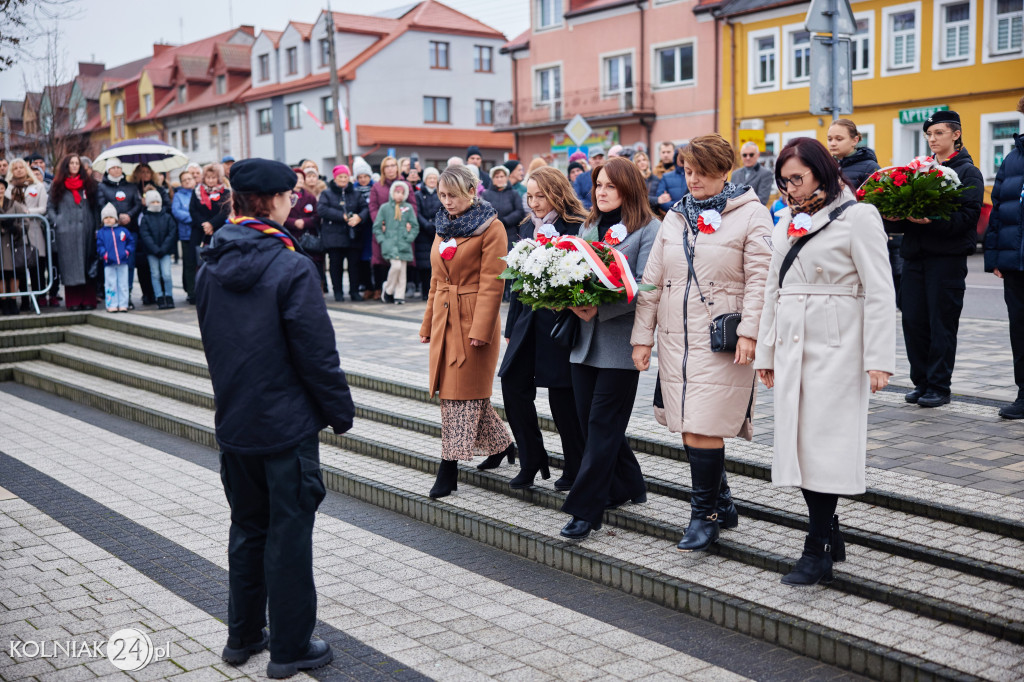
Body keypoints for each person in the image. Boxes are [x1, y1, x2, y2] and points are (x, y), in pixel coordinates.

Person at [196, 158, 353, 679]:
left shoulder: (209, 264)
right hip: (285, 428)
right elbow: (316, 353)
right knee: (288, 536)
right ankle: (290, 648)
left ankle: (242, 637)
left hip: (237, 423)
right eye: (289, 195)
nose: (294, 202)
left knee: (247, 529)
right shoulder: (290, 266)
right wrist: (339, 412)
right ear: (272, 202)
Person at [754, 137, 895, 585]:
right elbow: (771, 290)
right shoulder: (787, 221)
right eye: (784, 180)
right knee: (797, 444)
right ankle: (829, 531)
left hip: (838, 345)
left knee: (824, 445)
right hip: (794, 344)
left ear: (822, 171)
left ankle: (816, 547)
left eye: (798, 178)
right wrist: (766, 350)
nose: (791, 188)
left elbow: (879, 290)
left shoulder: (858, 216)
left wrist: (879, 358)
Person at [632, 134, 773, 552]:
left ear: (723, 170)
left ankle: (704, 516)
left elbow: (761, 282)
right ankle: (722, 501)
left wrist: (750, 331)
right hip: (677, 340)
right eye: (688, 171)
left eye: (701, 172)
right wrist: (643, 337)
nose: (691, 180)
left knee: (703, 426)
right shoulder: (675, 216)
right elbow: (652, 280)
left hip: (721, 340)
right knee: (689, 424)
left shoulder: (752, 215)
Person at [560, 157, 659, 540]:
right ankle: (628, 484)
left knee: (602, 425)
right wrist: (566, 297)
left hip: (621, 344)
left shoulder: (649, 229)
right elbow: (572, 273)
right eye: (598, 185)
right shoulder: (588, 226)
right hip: (583, 342)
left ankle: (586, 510)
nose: (601, 192)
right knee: (590, 424)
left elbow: (645, 286)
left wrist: (598, 306)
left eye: (610, 187)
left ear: (628, 189)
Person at [419, 165, 513, 497]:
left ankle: (448, 469)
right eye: (442, 195)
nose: (447, 202)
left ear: (471, 192)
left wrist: (482, 329)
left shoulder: (492, 227)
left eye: (453, 195)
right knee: (462, 392)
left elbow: (492, 283)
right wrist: (428, 322)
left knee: (459, 397)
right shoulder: (442, 226)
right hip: (446, 318)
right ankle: (502, 446)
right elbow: (436, 279)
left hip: (473, 320)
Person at [884, 111, 984, 408]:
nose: (932, 139)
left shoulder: (969, 173)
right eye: (929, 134)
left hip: (946, 260)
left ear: (956, 134)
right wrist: (894, 218)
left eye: (939, 133)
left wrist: (934, 220)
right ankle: (921, 382)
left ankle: (939, 386)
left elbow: (968, 218)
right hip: (915, 258)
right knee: (914, 323)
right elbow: (908, 215)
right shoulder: (921, 170)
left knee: (941, 323)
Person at [500, 166, 588, 490]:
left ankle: (575, 465)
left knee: (561, 398)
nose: (534, 203)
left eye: (541, 195)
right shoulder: (526, 227)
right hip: (526, 323)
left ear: (557, 192)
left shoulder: (577, 226)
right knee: (512, 384)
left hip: (559, 324)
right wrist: (509, 328)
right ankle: (532, 458)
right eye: (530, 196)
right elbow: (516, 285)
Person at [984, 96, 1024, 419]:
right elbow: (998, 209)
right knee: (1020, 329)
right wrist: (995, 257)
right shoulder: (1012, 160)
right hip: (1015, 264)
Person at [46, 154, 98, 312]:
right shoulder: (57, 185)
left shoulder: (88, 184)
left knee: (87, 265)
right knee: (71, 267)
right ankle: (73, 301)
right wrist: (58, 221)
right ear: (66, 166)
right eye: (72, 163)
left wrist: (96, 227)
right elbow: (50, 207)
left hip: (86, 230)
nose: (75, 166)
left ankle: (88, 300)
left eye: (77, 163)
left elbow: (95, 207)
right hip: (66, 232)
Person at [368, 156, 419, 300]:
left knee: (401, 266)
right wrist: (379, 222)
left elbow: (412, 205)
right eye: (387, 166)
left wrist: (410, 221)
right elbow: (373, 207)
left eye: (393, 165)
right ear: (383, 169)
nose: (390, 169)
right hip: (387, 230)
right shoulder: (377, 186)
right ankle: (387, 290)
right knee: (388, 262)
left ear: (397, 167)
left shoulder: (405, 185)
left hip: (402, 232)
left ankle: (398, 294)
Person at [319, 164, 369, 302]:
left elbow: (365, 208)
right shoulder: (326, 193)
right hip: (333, 236)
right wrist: (341, 216)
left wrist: (359, 217)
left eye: (345, 176)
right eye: (340, 176)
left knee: (354, 266)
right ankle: (338, 292)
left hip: (353, 235)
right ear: (335, 178)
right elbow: (322, 210)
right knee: (336, 266)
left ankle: (354, 291)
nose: (343, 179)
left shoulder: (356, 193)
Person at [5, 158, 49, 310]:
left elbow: (43, 208)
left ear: (26, 168)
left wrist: (28, 212)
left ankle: (38, 298)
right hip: (17, 231)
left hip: (34, 229)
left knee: (36, 265)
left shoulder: (38, 186)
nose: (18, 170)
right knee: (19, 266)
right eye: (15, 168)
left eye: (21, 167)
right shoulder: (8, 189)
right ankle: (24, 300)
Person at [482, 164, 525, 302]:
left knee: (509, 262)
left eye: (502, 176)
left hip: (510, 232)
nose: (500, 179)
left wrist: (504, 221)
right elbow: (483, 211)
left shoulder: (513, 194)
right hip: (492, 233)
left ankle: (508, 291)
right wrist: (494, 222)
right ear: (492, 179)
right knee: (494, 262)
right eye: (497, 177)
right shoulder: (486, 194)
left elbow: (519, 212)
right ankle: (496, 290)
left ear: (506, 178)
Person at [139, 189, 178, 309]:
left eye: (157, 201)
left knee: (166, 274)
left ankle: (169, 295)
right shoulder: (145, 218)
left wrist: (164, 248)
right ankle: (159, 296)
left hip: (165, 251)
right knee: (155, 274)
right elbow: (145, 235)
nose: (155, 204)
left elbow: (172, 233)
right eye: (153, 201)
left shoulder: (167, 217)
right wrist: (155, 249)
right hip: (152, 252)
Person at [96, 202, 134, 313]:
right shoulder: (102, 233)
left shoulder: (123, 231)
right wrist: (105, 255)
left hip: (123, 261)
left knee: (123, 283)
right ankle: (111, 303)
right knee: (110, 283)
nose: (108, 220)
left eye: (111, 217)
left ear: (116, 218)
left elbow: (130, 242)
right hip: (109, 263)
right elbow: (100, 246)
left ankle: (123, 304)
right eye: (106, 218)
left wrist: (127, 252)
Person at [189, 162, 231, 252]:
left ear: (218, 178)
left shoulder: (225, 193)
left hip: (219, 230)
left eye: (213, 178)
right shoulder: (196, 192)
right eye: (208, 178)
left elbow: (225, 211)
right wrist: (205, 225)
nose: (210, 180)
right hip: (200, 230)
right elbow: (193, 210)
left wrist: (211, 224)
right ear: (204, 178)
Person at [414, 167, 441, 301]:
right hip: (423, 233)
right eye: (429, 178)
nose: (432, 180)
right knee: (424, 265)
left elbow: (443, 211)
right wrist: (426, 225)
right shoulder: (418, 195)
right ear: (425, 180)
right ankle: (425, 292)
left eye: (434, 178)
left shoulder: (441, 194)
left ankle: (436, 291)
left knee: (437, 263)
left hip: (437, 231)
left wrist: (436, 225)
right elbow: (417, 212)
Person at [172, 171, 196, 300]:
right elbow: (177, 211)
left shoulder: (198, 193)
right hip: (186, 234)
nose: (187, 181)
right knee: (188, 264)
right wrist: (193, 218)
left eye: (189, 178)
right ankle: (190, 291)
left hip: (198, 234)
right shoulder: (178, 196)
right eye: (184, 180)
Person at [654, 146, 688, 213]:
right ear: (675, 158)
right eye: (680, 157)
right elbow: (661, 199)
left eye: (684, 157)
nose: (682, 159)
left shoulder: (695, 175)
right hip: (673, 213)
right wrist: (677, 207)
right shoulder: (666, 176)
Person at [632, 150, 662, 216]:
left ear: (648, 162)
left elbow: (660, 195)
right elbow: (637, 198)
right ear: (635, 164)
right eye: (639, 161)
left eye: (644, 160)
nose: (642, 162)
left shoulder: (655, 178)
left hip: (654, 213)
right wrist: (656, 200)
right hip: (638, 214)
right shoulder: (633, 179)